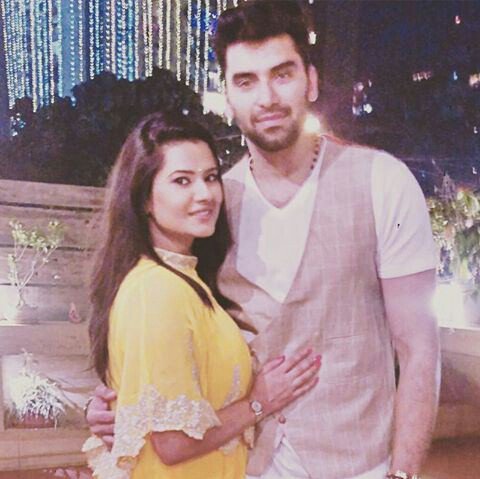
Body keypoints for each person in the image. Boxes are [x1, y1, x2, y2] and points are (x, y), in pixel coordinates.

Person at [86, 2, 440, 478]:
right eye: (246, 81)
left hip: (360, 465)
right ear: (228, 95)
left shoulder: (382, 182)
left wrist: (403, 473)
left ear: (310, 81)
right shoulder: (212, 204)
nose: (267, 97)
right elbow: (167, 328)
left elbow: (418, 348)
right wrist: (119, 403)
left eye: (282, 74)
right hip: (244, 464)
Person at [81, 112, 321, 479]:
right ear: (144, 198)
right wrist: (259, 402)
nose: (205, 194)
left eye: (210, 177)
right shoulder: (158, 290)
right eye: (182, 181)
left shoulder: (184, 279)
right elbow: (173, 444)